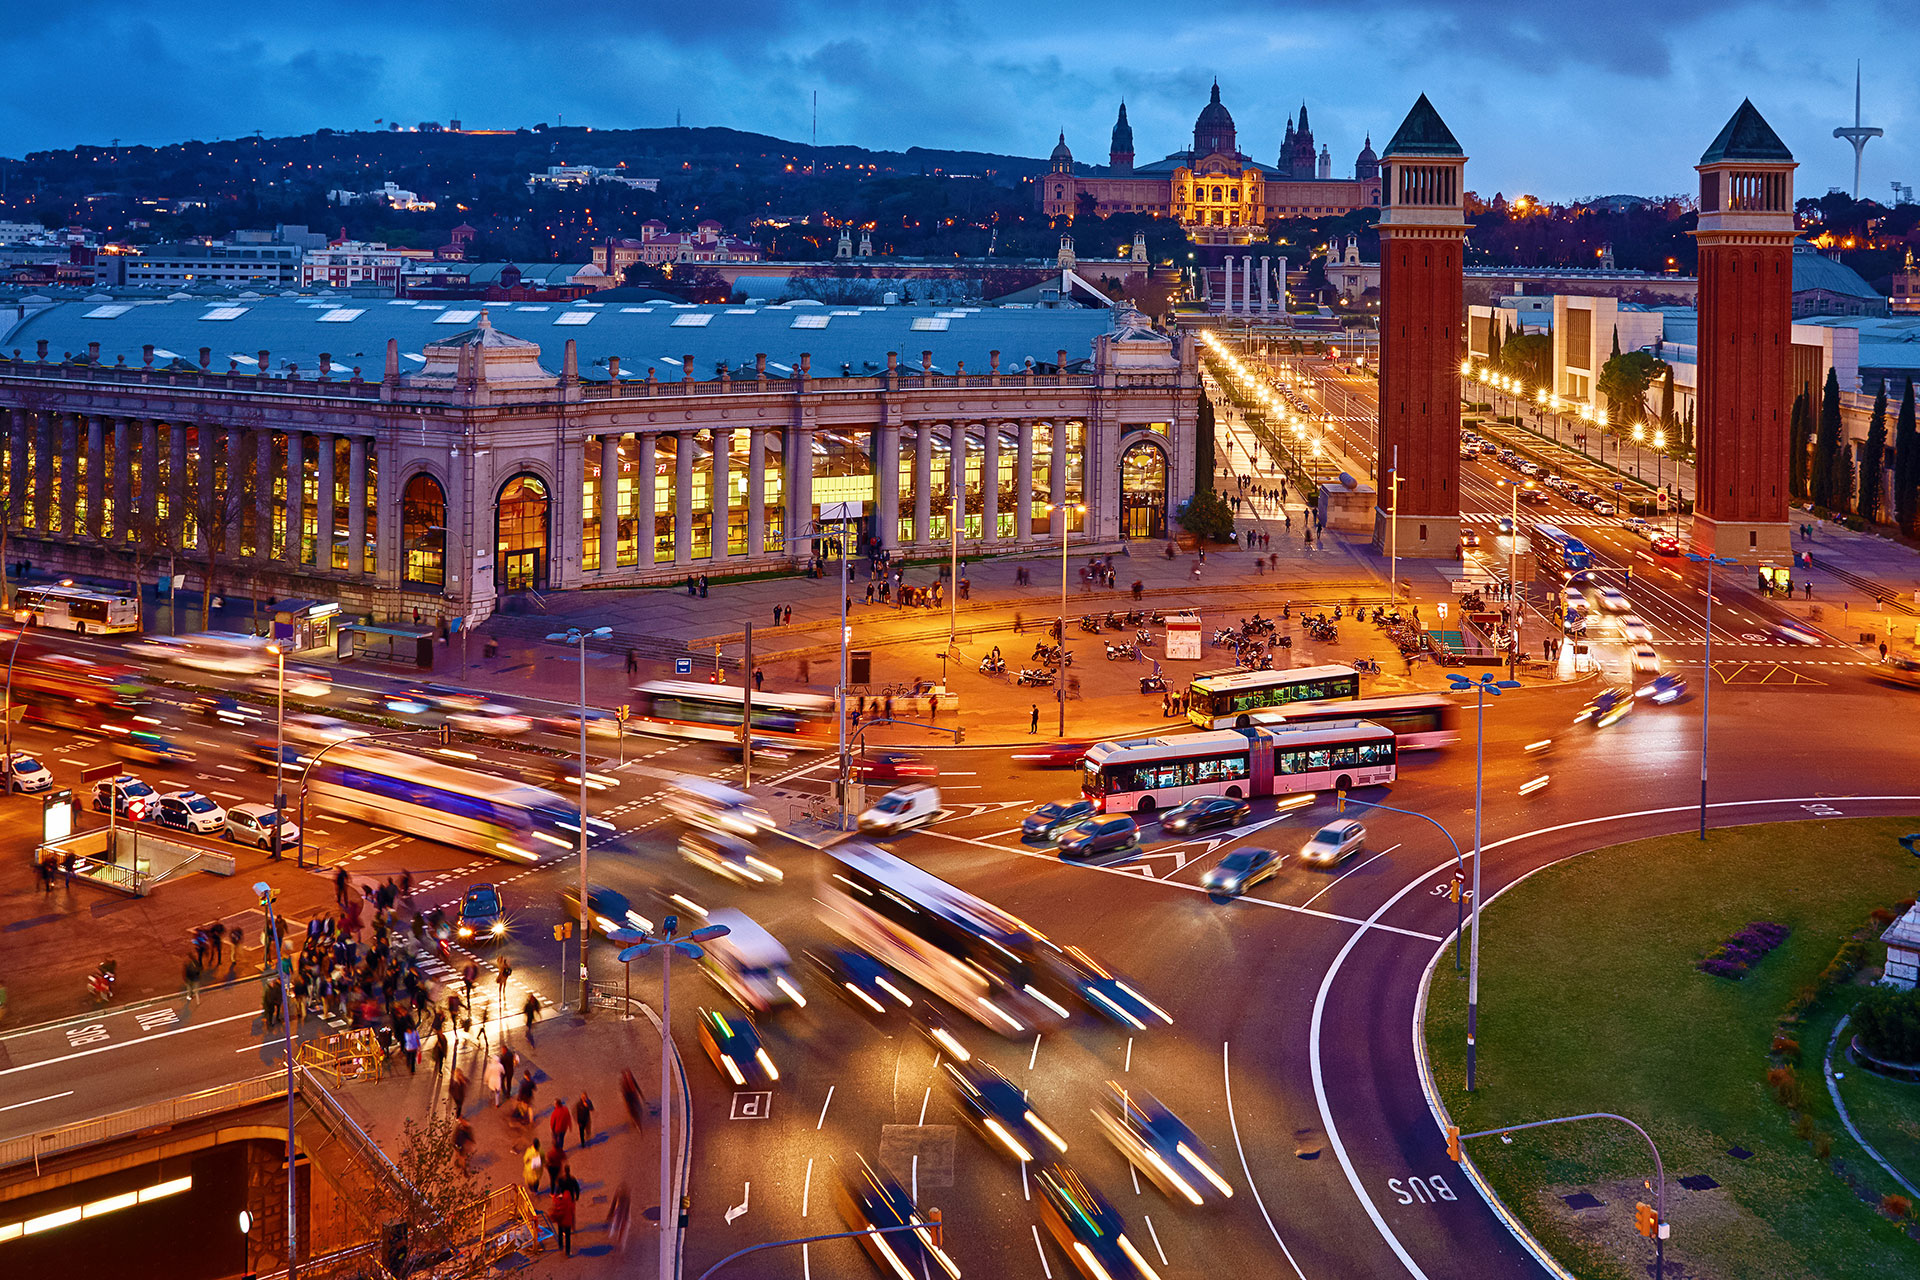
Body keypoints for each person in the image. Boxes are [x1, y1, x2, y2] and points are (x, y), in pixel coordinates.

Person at [551, 1182, 577, 1257]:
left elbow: (555, 1201)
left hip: (560, 1219)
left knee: (560, 1232)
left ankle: (560, 1245)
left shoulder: (559, 1199)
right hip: (567, 1220)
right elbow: (572, 1210)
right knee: (568, 1237)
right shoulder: (569, 1199)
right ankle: (567, 1252)